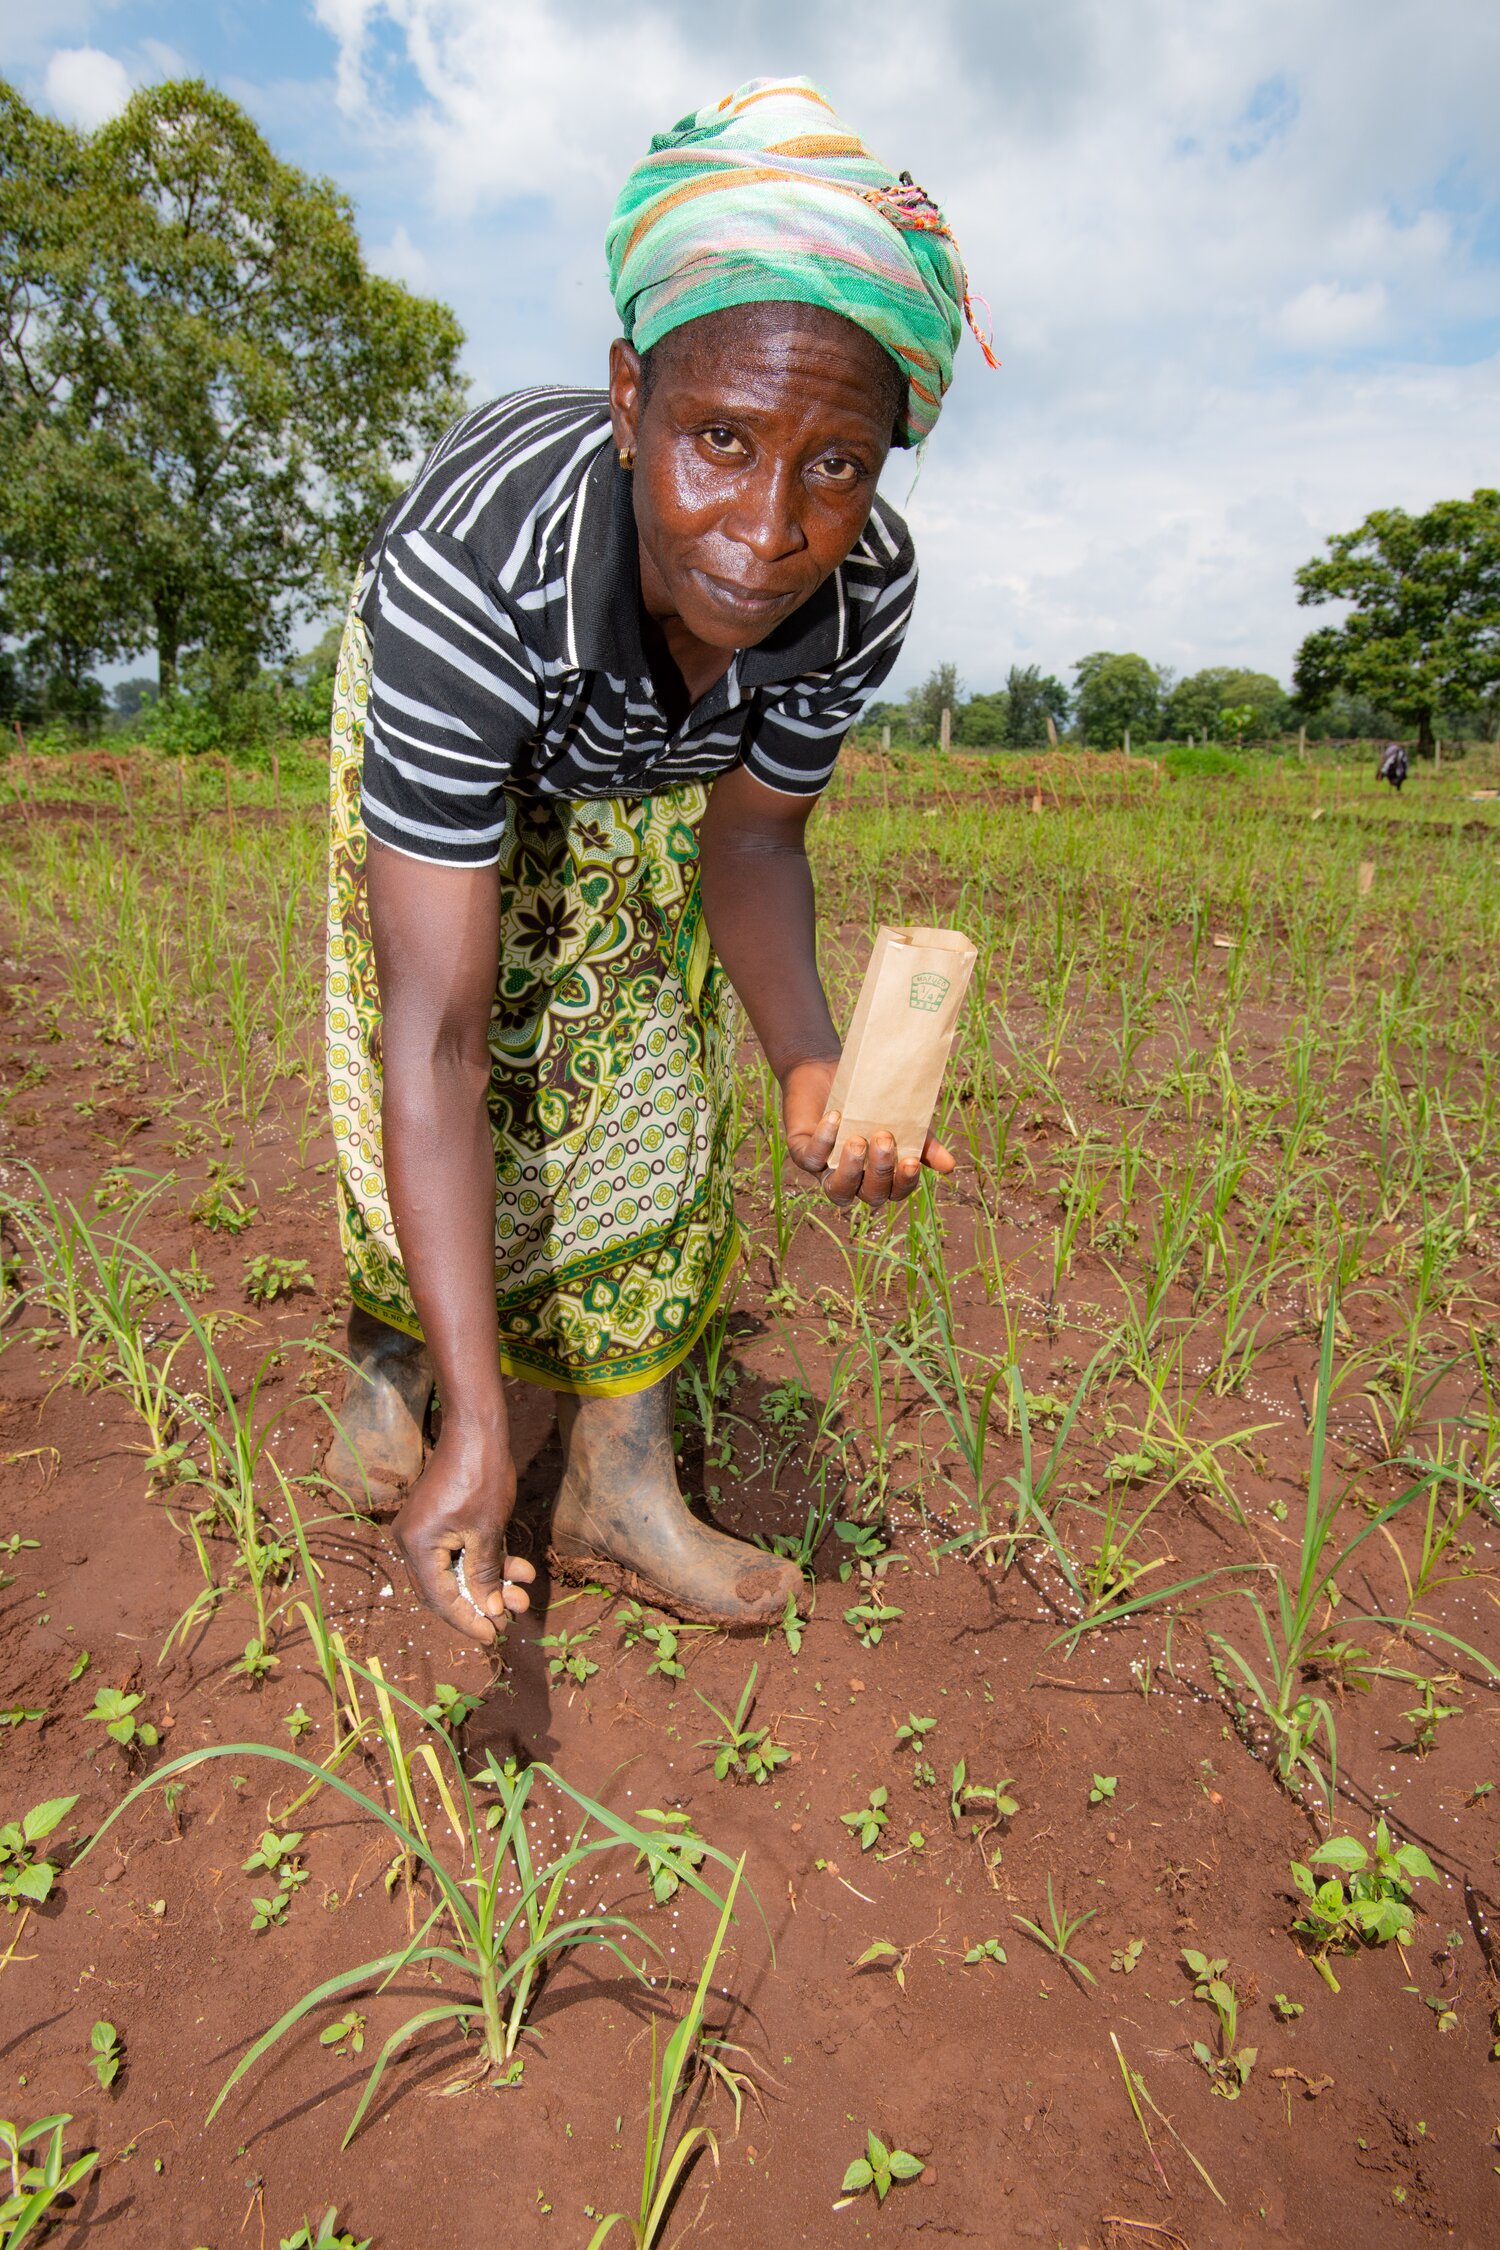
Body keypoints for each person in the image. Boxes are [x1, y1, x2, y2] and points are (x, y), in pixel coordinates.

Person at [322, 76, 991, 1646]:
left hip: (641, 763)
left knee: (643, 1064)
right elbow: (438, 1027)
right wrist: (484, 1428)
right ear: (628, 399)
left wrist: (813, 1063)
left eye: (839, 465)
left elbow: (753, 839)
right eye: (720, 437)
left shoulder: (860, 589)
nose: (768, 529)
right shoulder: (469, 570)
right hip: (479, 706)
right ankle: (399, 1367)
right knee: (424, 1045)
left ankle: (616, 1477)